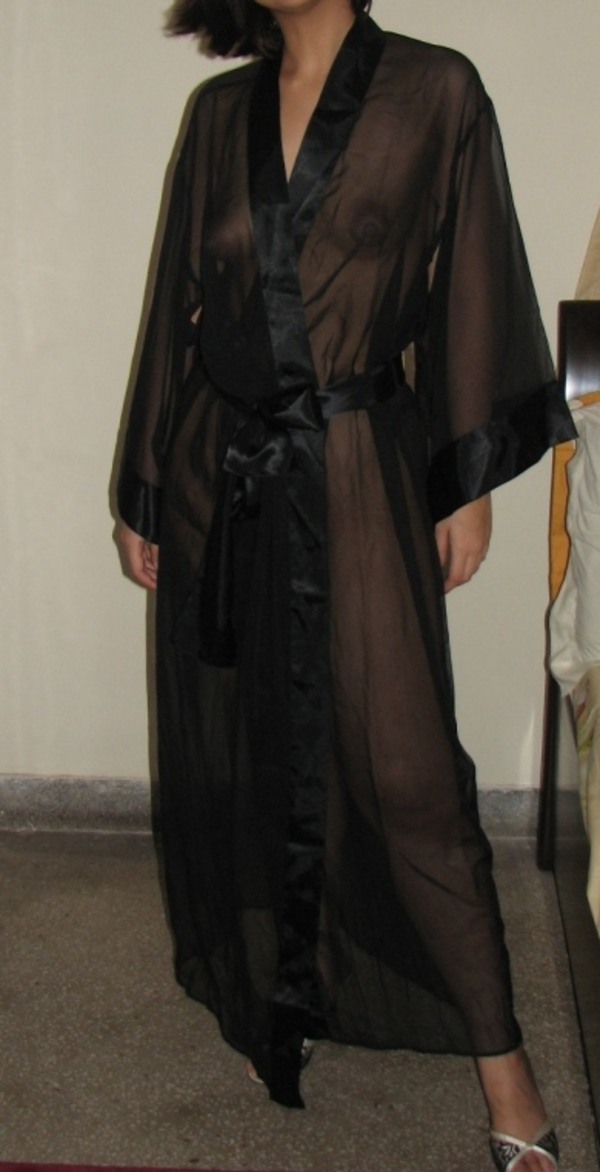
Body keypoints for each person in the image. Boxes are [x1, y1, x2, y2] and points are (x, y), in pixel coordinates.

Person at [115, 1, 576, 1167]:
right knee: (266, 744)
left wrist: (465, 477)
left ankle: (506, 1066)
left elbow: (473, 275)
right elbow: (176, 306)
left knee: (406, 768)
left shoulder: (435, 92)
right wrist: (144, 488)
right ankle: (292, 990)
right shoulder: (217, 113)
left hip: (361, 457)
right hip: (223, 467)